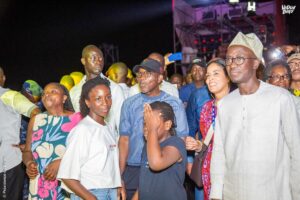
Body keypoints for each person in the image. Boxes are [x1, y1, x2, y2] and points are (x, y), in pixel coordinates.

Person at [210, 32, 300, 200]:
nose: (232, 64)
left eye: (239, 58)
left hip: (273, 193)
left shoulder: (281, 98)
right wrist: (216, 193)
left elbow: (297, 152)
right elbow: (219, 152)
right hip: (233, 193)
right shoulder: (225, 104)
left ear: (255, 63)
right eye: (229, 59)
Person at [119, 58, 189, 199]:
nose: (142, 78)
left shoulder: (174, 104)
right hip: (133, 168)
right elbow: (124, 140)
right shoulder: (129, 104)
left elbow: (181, 139)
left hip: (163, 166)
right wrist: (119, 175)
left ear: (160, 78)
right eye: (139, 74)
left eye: (148, 74)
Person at [58, 77, 122, 200]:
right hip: (90, 192)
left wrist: (118, 184)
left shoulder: (107, 127)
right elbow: (67, 175)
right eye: (98, 98)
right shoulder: (82, 130)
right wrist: (92, 198)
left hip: (110, 192)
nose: (105, 102)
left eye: (108, 97)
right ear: (87, 102)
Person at [22, 83, 81, 199]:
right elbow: (27, 151)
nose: (46, 95)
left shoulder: (78, 119)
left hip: (67, 186)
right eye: (44, 93)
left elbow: (86, 151)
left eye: (53, 92)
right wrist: (29, 164)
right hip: (39, 187)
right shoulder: (36, 120)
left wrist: (61, 163)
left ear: (64, 98)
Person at [186, 58, 231, 200]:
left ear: (228, 77)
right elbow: (207, 143)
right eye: (208, 76)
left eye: (216, 74)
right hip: (209, 172)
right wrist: (198, 146)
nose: (210, 79)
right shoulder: (207, 107)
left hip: (232, 171)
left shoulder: (239, 104)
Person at [0, 67, 40, 200]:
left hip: (7, 165)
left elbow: (36, 113)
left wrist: (28, 144)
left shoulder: (9, 95)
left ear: (4, 78)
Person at [133, 101, 187, 200]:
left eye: (151, 124)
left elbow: (156, 164)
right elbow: (145, 181)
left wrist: (152, 129)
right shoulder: (148, 146)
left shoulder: (176, 143)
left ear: (167, 125)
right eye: (145, 124)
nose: (146, 128)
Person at [70, 44, 125, 136]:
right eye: (93, 58)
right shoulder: (74, 92)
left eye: (101, 58)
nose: (98, 61)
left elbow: (122, 124)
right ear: (83, 61)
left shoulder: (114, 89)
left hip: (108, 143)